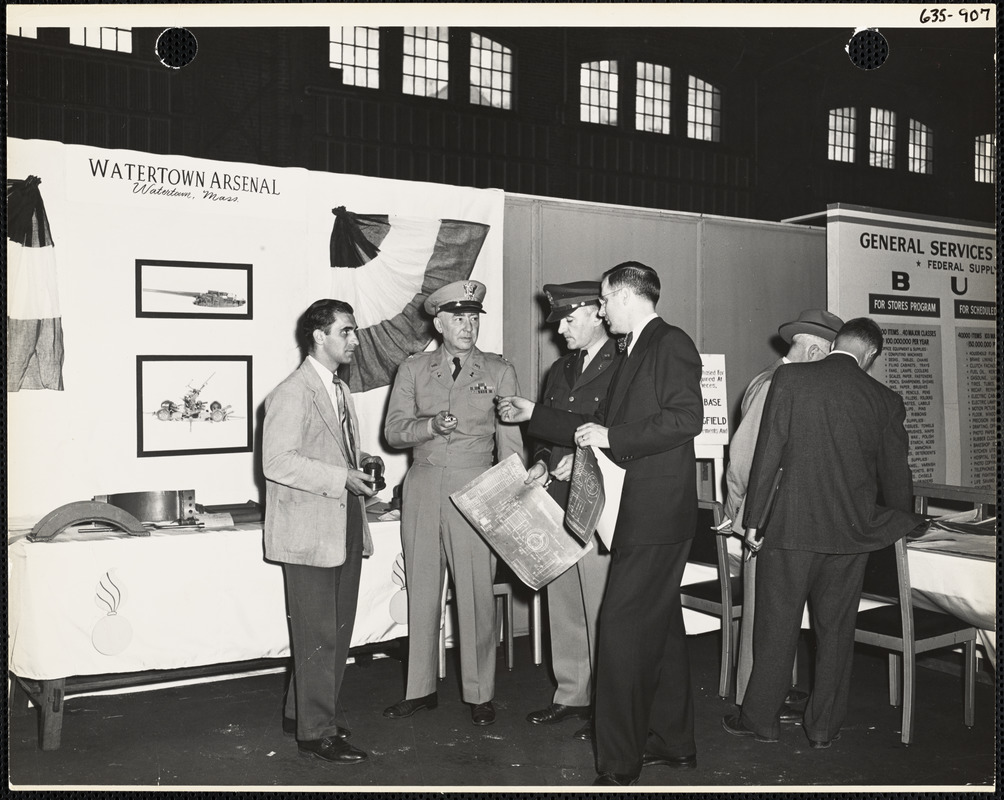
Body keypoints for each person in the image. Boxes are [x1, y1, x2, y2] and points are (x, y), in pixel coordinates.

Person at [498, 261, 704, 786]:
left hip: (654, 514)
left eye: (606, 301)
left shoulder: (668, 343)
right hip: (642, 512)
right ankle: (674, 743)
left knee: (618, 631)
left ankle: (618, 764)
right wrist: (534, 415)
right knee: (661, 632)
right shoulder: (635, 349)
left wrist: (613, 439)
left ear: (626, 297)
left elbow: (686, 419)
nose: (602, 309)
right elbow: (598, 425)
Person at [722, 317, 920, 749]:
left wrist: (754, 522)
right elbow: (896, 476)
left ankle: (761, 721)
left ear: (837, 343)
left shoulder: (791, 378)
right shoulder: (885, 399)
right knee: (836, 634)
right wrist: (904, 520)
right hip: (850, 538)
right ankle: (823, 729)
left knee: (776, 628)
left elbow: (768, 454)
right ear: (870, 355)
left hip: (790, 531)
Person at [383, 280, 524, 727]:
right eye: (459, 318)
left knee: (476, 592)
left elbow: (511, 447)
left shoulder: (500, 371)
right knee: (422, 590)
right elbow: (394, 431)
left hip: (476, 486)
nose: (468, 325)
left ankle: (480, 692)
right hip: (423, 484)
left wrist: (509, 503)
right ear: (439, 322)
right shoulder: (413, 370)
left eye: (474, 317)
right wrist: (428, 427)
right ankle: (420, 689)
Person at [262, 298, 382, 765]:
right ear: (319, 336)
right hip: (309, 530)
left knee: (336, 629)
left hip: (344, 520)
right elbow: (276, 463)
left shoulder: (338, 389)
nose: (354, 340)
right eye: (346, 332)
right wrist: (341, 478)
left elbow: (329, 452)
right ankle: (316, 733)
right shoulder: (293, 393)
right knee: (319, 634)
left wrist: (360, 467)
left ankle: (306, 712)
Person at [724, 308, 844, 710]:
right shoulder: (777, 382)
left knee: (776, 613)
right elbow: (743, 458)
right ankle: (752, 697)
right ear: (814, 352)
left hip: (775, 513)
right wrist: (738, 511)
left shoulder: (777, 379)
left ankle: (774, 690)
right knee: (763, 616)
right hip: (766, 516)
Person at [523, 281, 616, 742]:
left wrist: (582, 459)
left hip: (597, 502)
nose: (559, 329)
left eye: (568, 319)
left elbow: (621, 433)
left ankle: (606, 704)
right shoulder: (559, 370)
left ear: (597, 313)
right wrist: (541, 461)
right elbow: (543, 429)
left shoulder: (623, 365)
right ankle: (571, 694)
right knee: (563, 602)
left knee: (600, 606)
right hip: (557, 502)